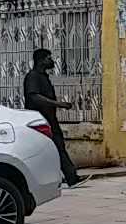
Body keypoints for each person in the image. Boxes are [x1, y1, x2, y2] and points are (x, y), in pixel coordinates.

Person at [23, 49, 84, 188]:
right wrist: (58, 104)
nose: (52, 61)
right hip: (39, 122)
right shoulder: (33, 77)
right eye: (49, 58)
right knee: (43, 151)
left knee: (59, 147)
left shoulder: (43, 77)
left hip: (50, 120)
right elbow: (34, 97)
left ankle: (71, 177)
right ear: (41, 60)